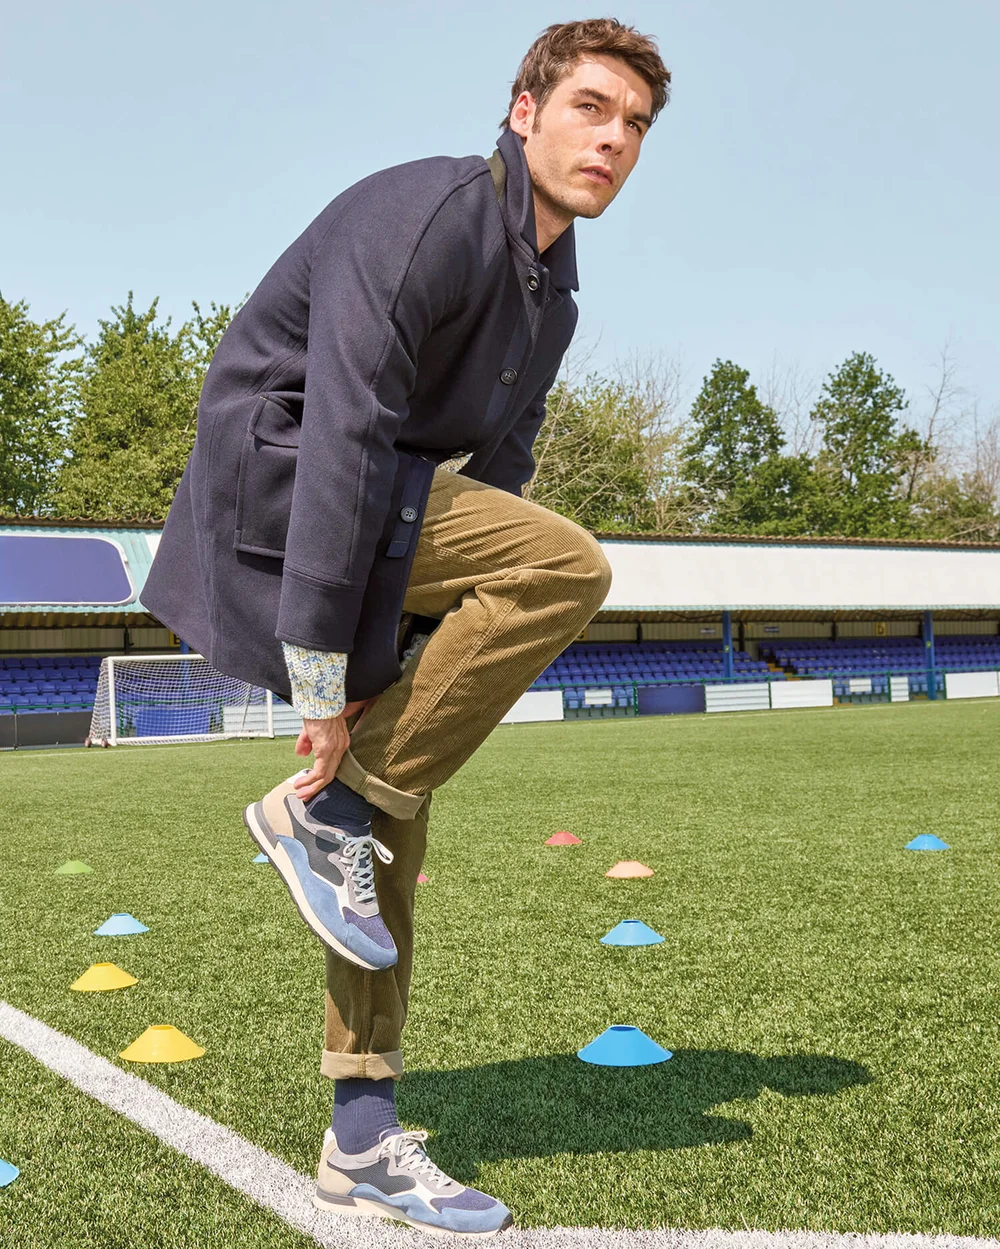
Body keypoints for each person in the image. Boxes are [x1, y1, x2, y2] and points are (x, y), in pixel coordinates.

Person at [142, 17, 669, 1238]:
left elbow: (504, 470)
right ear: (523, 108)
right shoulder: (425, 218)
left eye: (636, 124)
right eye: (590, 105)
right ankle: (326, 801)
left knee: (387, 830)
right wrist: (327, 685)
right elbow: (341, 439)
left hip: (396, 526)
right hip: (284, 486)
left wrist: (417, 657)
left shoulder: (555, 300)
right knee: (563, 568)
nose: (614, 138)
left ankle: (363, 1139)